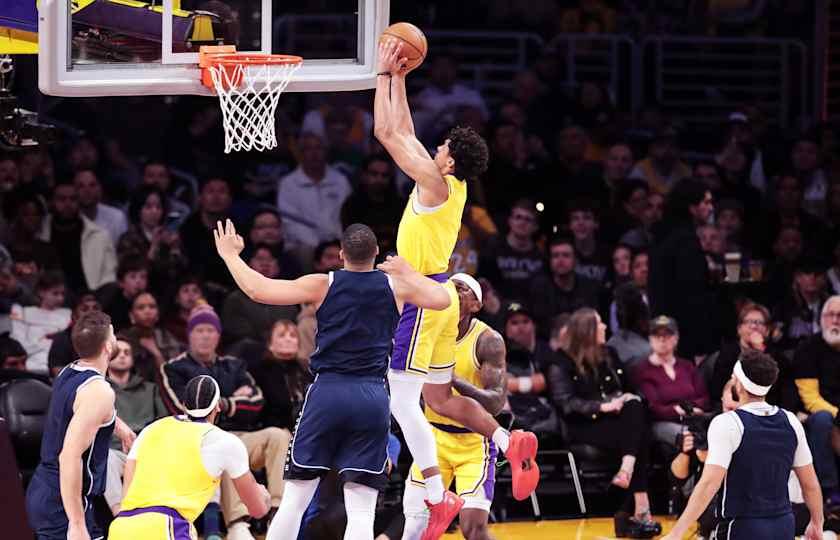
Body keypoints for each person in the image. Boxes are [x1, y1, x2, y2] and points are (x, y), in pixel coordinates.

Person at [374, 38, 538, 537]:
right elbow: (403, 129)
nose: (436, 147)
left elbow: (386, 131)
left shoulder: (434, 181)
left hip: (423, 301)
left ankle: (435, 493)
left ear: (446, 162)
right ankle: (509, 444)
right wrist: (401, 78)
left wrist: (381, 74)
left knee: (405, 402)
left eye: (442, 147)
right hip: (439, 295)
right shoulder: (451, 182)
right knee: (440, 398)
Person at [214, 219, 450, 540]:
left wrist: (230, 256)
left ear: (340, 255)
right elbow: (442, 299)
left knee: (295, 499)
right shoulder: (396, 286)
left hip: (327, 391)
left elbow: (259, 289)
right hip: (372, 396)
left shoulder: (323, 283)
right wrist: (407, 271)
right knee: (362, 509)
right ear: (377, 253)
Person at [662, 351, 824, 540]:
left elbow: (708, 485)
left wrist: (676, 533)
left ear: (738, 384)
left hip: (741, 527)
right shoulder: (791, 420)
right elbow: (810, 483)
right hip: (783, 526)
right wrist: (817, 523)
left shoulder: (727, 423)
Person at [401, 273, 507, 540]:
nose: (454, 292)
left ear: (476, 305)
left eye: (462, 289)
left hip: (473, 442)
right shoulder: (427, 330)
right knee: (414, 527)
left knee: (473, 528)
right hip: (433, 438)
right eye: (451, 286)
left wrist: (453, 380)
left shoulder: (487, 340)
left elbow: (495, 403)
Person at [108, 375, 271, 540]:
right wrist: (263, 496)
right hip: (166, 528)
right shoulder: (224, 441)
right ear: (217, 407)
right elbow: (257, 510)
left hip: (121, 529)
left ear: (184, 405)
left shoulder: (150, 430)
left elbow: (127, 495)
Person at [547, 308, 660, 538]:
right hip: (584, 425)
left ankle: (627, 476)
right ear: (587, 330)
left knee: (635, 408)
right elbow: (565, 403)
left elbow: (630, 387)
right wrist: (603, 407)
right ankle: (638, 507)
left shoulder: (610, 353)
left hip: (619, 421)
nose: (605, 327)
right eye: (599, 323)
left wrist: (627, 398)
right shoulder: (560, 361)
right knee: (638, 436)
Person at [25, 311, 135, 540]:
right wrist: (76, 523)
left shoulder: (70, 370)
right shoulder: (99, 391)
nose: (115, 339)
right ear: (107, 347)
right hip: (62, 502)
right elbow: (69, 457)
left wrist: (120, 427)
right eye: (113, 335)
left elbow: (87, 408)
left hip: (46, 488)